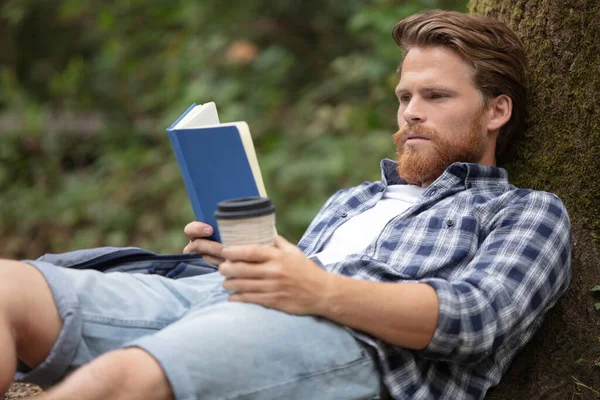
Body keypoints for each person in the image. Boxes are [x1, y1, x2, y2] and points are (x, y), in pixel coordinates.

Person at [0, 10, 571, 400]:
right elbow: (294, 281)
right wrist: (244, 262)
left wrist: (315, 288)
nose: (410, 113)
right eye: (404, 97)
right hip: (219, 298)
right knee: (9, 288)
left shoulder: (526, 212)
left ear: (496, 112)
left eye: (435, 96)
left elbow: (477, 320)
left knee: (126, 376)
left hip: (358, 350)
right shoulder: (356, 199)